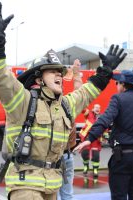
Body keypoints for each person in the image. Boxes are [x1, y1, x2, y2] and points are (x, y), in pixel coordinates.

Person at [0, 1, 126, 199]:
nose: (59, 75)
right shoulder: (22, 101)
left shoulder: (65, 105)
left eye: (60, 72)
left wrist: (106, 71)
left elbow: (88, 92)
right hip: (26, 186)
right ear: (39, 80)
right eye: (53, 71)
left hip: (52, 185)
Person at [74, 70, 133, 200]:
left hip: (122, 157)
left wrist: (90, 138)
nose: (116, 86)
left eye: (117, 83)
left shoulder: (118, 99)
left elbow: (105, 119)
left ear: (122, 84)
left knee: (118, 196)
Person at [58, 59, 82, 200]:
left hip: (51, 158)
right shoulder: (69, 105)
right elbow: (79, 90)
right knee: (67, 194)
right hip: (67, 155)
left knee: (50, 194)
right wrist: (76, 73)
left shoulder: (43, 105)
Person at [79, 104, 103, 178]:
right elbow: (83, 110)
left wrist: (105, 135)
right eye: (96, 107)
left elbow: (105, 127)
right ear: (93, 109)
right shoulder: (88, 113)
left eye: (99, 108)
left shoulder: (102, 117)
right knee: (85, 153)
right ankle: (86, 166)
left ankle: (95, 170)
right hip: (87, 137)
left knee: (95, 155)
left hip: (96, 138)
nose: (97, 109)